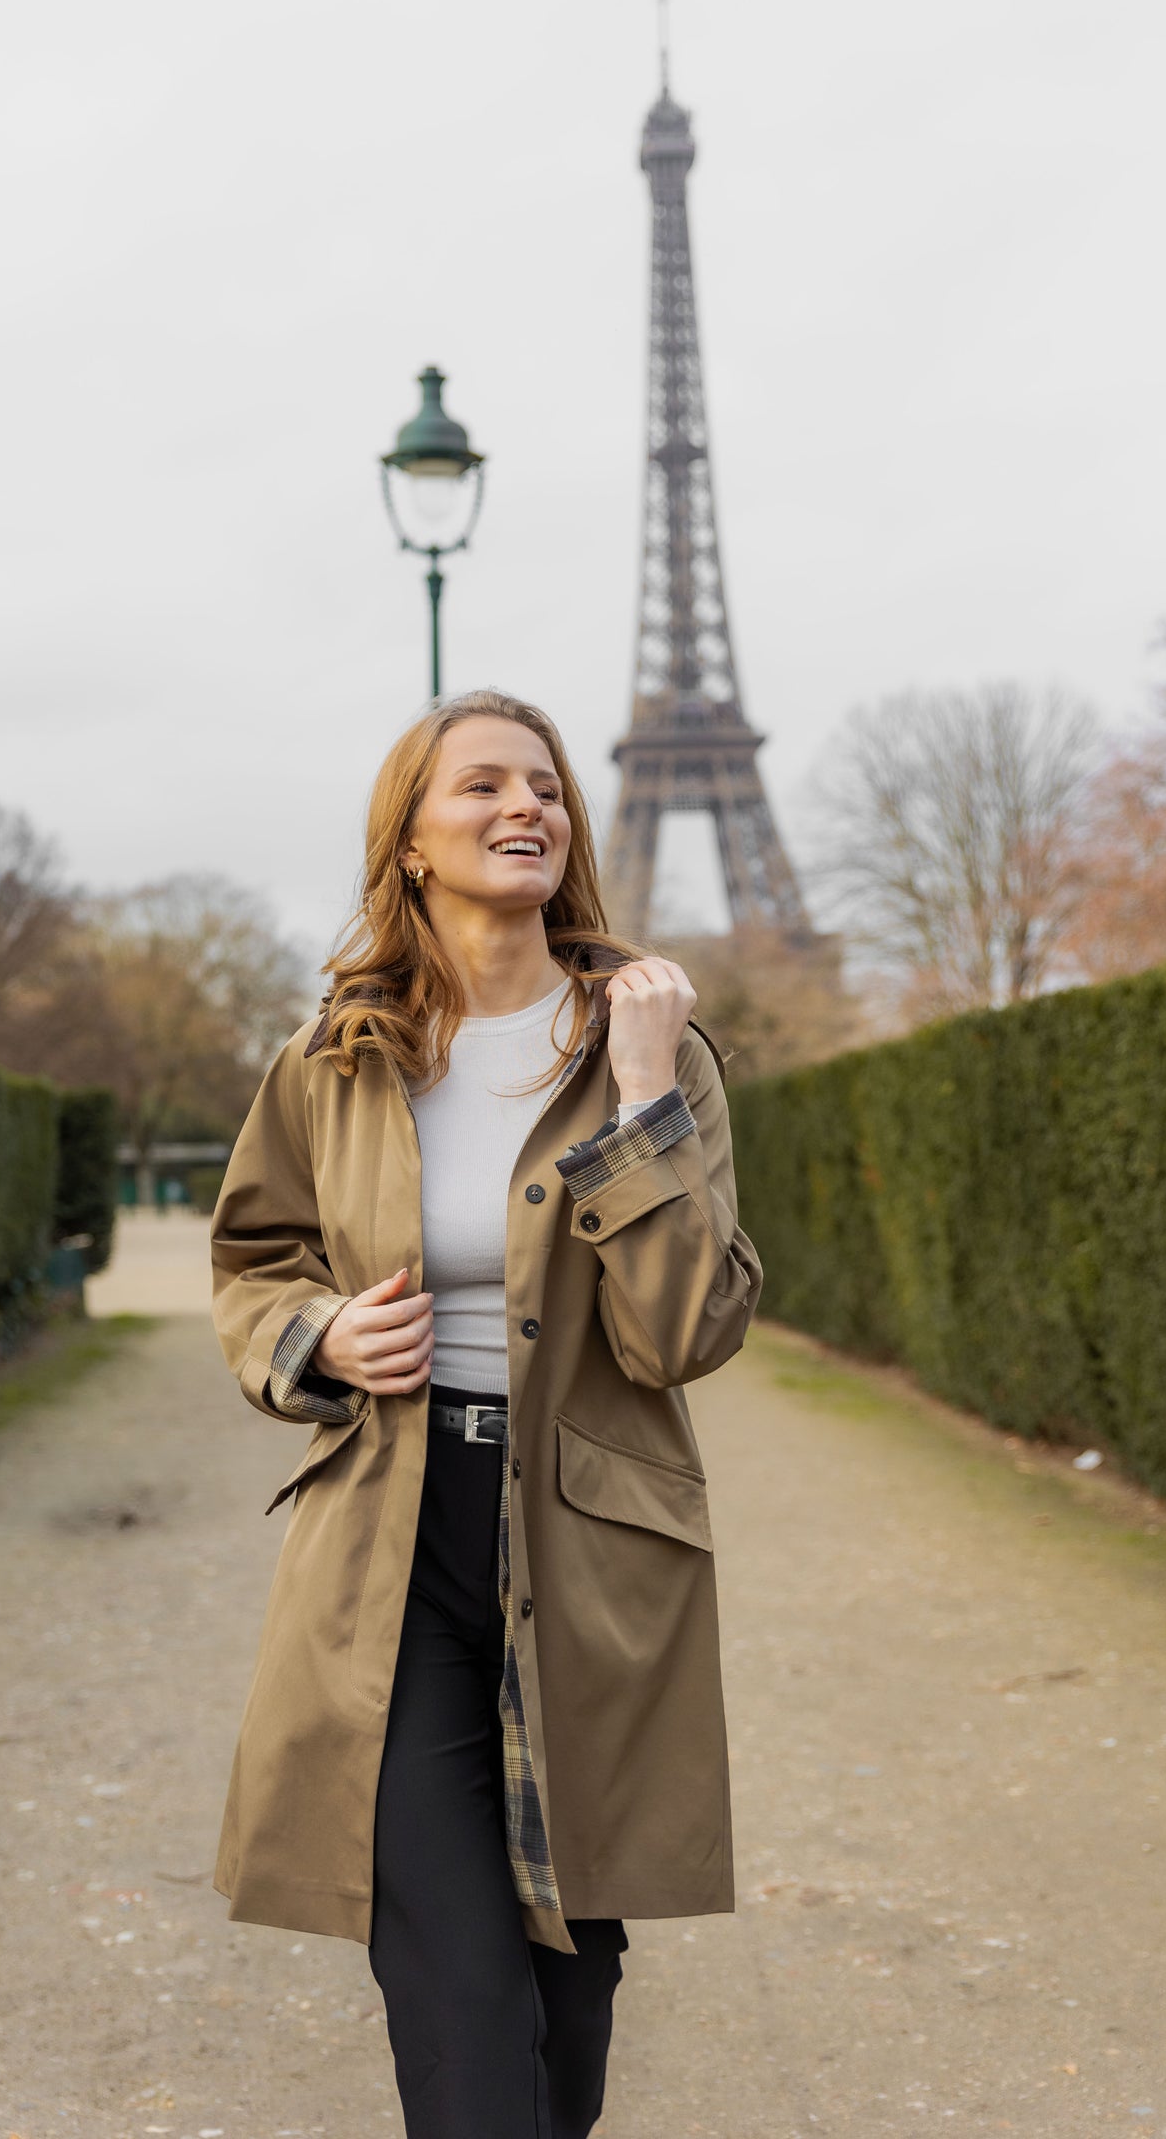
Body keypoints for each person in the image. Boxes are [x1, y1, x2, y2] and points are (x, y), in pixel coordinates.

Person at [209, 689, 763, 2139]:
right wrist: (318, 1332)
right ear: (408, 843)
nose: (526, 807)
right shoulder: (333, 1058)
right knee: (459, 1993)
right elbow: (252, 1261)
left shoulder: (655, 1054)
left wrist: (641, 1104)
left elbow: (682, 1331)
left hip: (585, 1548)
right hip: (391, 1549)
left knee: (563, 2000)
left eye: (547, 787)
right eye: (482, 787)